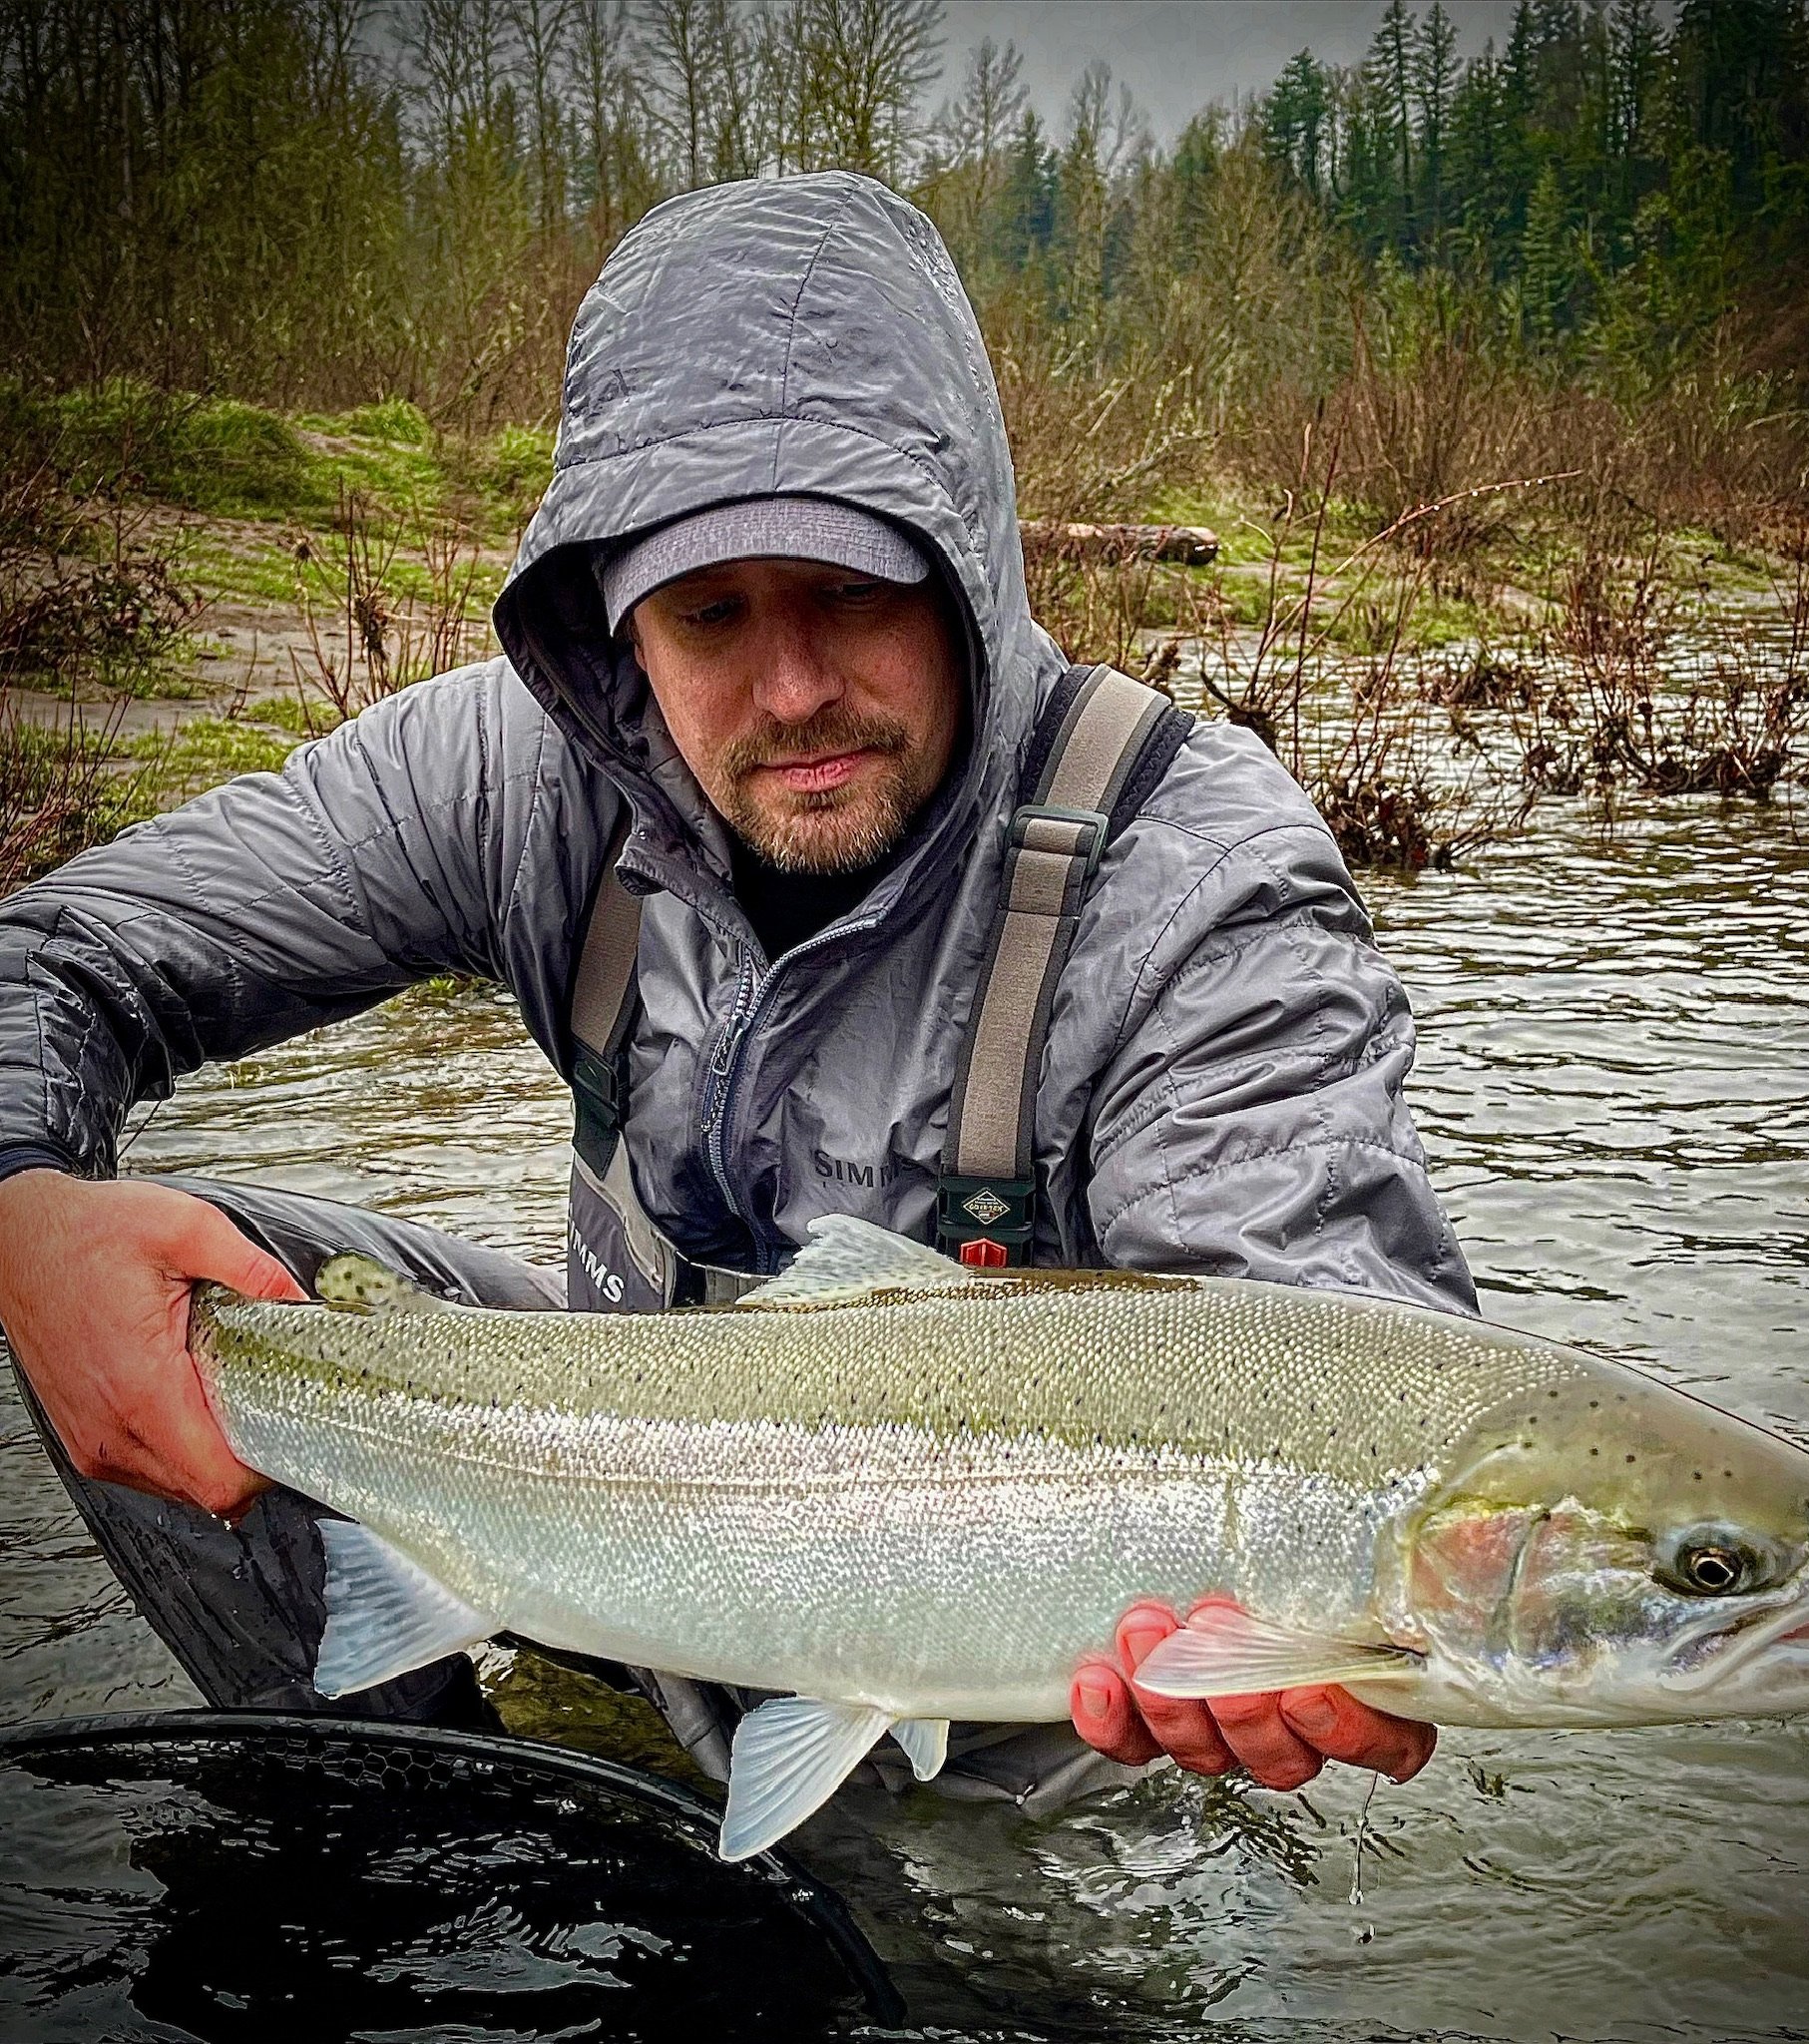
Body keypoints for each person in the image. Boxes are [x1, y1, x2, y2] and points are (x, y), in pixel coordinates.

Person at [0, 174, 1472, 1810]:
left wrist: (1342, 1588)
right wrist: (16, 1210)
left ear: (965, 566)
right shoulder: (520, 770)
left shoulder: (1193, 876)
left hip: (1009, 1684)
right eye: (711, 614)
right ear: (615, 630)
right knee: (171, 1285)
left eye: (853, 592)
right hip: (604, 1504)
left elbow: (1337, 1342)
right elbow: (55, 960)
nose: (793, 692)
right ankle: (409, 1830)